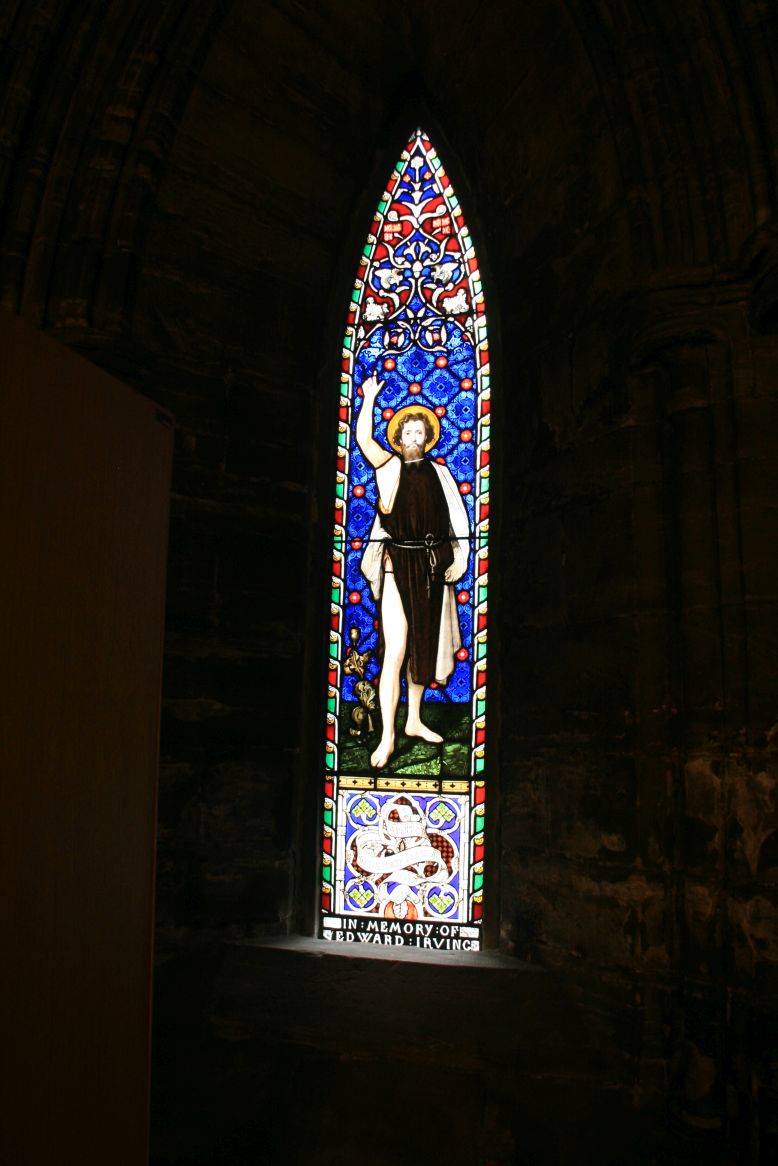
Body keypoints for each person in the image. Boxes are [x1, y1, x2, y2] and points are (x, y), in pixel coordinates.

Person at [356, 373, 470, 768]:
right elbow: (364, 441)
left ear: (428, 438)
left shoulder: (441, 474)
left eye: (421, 432)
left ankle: (415, 720)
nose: (414, 438)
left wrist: (459, 560)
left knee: (423, 647)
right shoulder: (389, 469)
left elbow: (456, 522)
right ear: (399, 438)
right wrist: (368, 398)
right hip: (398, 565)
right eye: (408, 432)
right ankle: (387, 736)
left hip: (432, 566)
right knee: (396, 650)